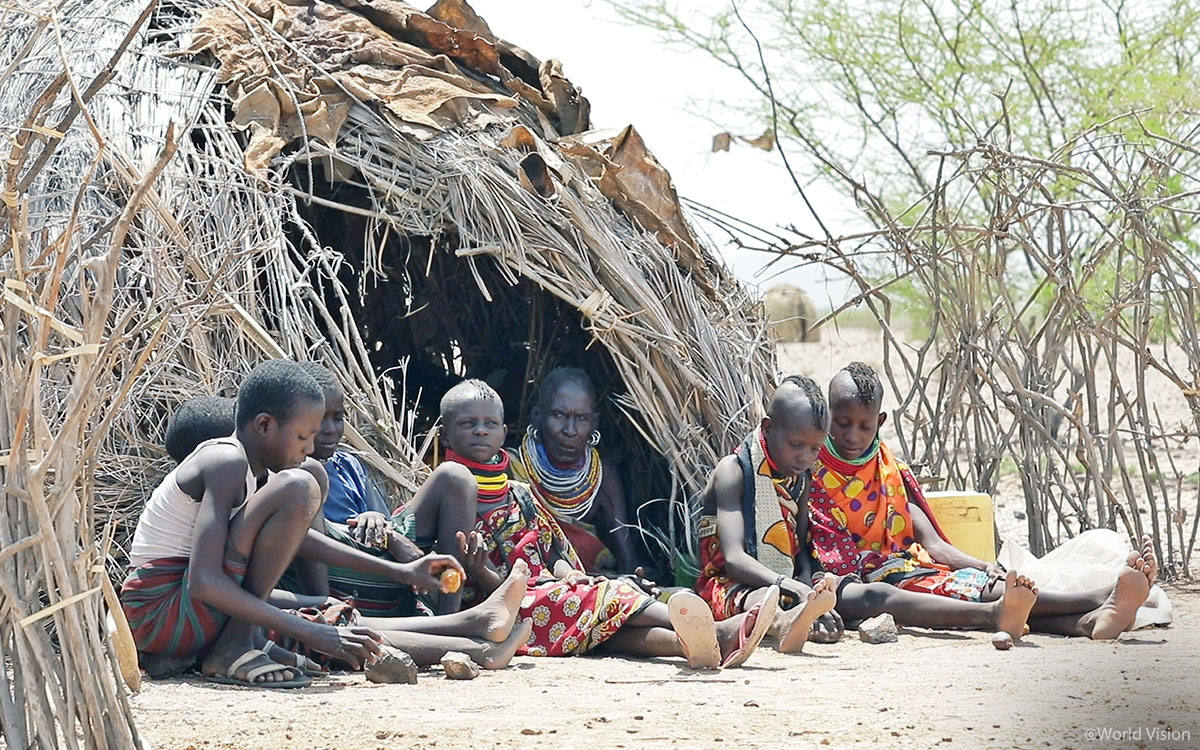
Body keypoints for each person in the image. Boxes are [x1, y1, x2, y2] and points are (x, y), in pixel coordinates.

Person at [120, 359, 467, 687]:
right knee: (300, 486)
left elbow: (301, 541)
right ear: (265, 425)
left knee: (305, 499)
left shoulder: (254, 472)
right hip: (161, 613)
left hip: (187, 609)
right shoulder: (226, 461)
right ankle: (235, 646)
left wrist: (403, 572)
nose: (310, 446)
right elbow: (204, 583)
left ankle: (243, 640)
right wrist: (310, 632)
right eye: (304, 437)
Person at [420, 378, 779, 668]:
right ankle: (715, 629)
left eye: (490, 424)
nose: (481, 432)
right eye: (468, 424)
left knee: (606, 628)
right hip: (502, 611)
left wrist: (567, 573)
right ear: (446, 435)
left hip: (546, 599)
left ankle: (694, 644)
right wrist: (488, 574)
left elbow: (550, 551)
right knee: (612, 595)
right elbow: (468, 583)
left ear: (503, 431)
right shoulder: (450, 488)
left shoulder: (519, 493)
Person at [808, 361, 1159, 639]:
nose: (852, 435)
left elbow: (932, 543)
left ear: (880, 421)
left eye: (864, 426)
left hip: (911, 568)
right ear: (826, 416)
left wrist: (982, 566)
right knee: (973, 594)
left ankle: (1088, 623)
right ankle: (1097, 600)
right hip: (862, 581)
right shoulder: (814, 475)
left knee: (986, 586)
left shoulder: (888, 470)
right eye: (841, 423)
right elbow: (837, 563)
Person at [698, 374, 1044, 646]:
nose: (804, 457)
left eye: (815, 449)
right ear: (768, 428)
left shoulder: (800, 478)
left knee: (880, 594)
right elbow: (733, 560)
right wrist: (797, 591)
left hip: (792, 584)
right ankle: (789, 622)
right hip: (731, 584)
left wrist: (806, 588)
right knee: (764, 599)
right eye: (796, 446)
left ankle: (999, 615)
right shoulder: (734, 471)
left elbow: (802, 552)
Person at [508, 367, 635, 574]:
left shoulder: (602, 475)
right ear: (537, 416)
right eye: (559, 415)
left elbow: (626, 553)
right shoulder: (513, 468)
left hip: (588, 582)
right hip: (527, 580)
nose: (570, 430)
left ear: (595, 423)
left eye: (582, 418)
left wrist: (634, 579)